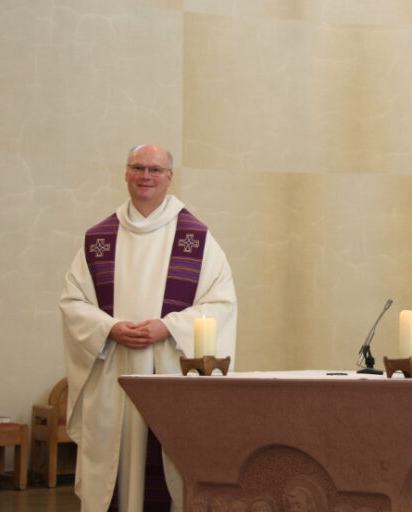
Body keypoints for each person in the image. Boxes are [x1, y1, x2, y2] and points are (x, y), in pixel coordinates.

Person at [60, 144, 237, 511]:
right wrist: (109, 328)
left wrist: (168, 327)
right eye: (138, 168)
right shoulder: (98, 239)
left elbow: (220, 304)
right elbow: (73, 303)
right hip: (114, 378)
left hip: (170, 374)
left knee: (167, 472)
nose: (146, 176)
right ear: (125, 173)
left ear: (170, 177)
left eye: (155, 170)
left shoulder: (197, 239)